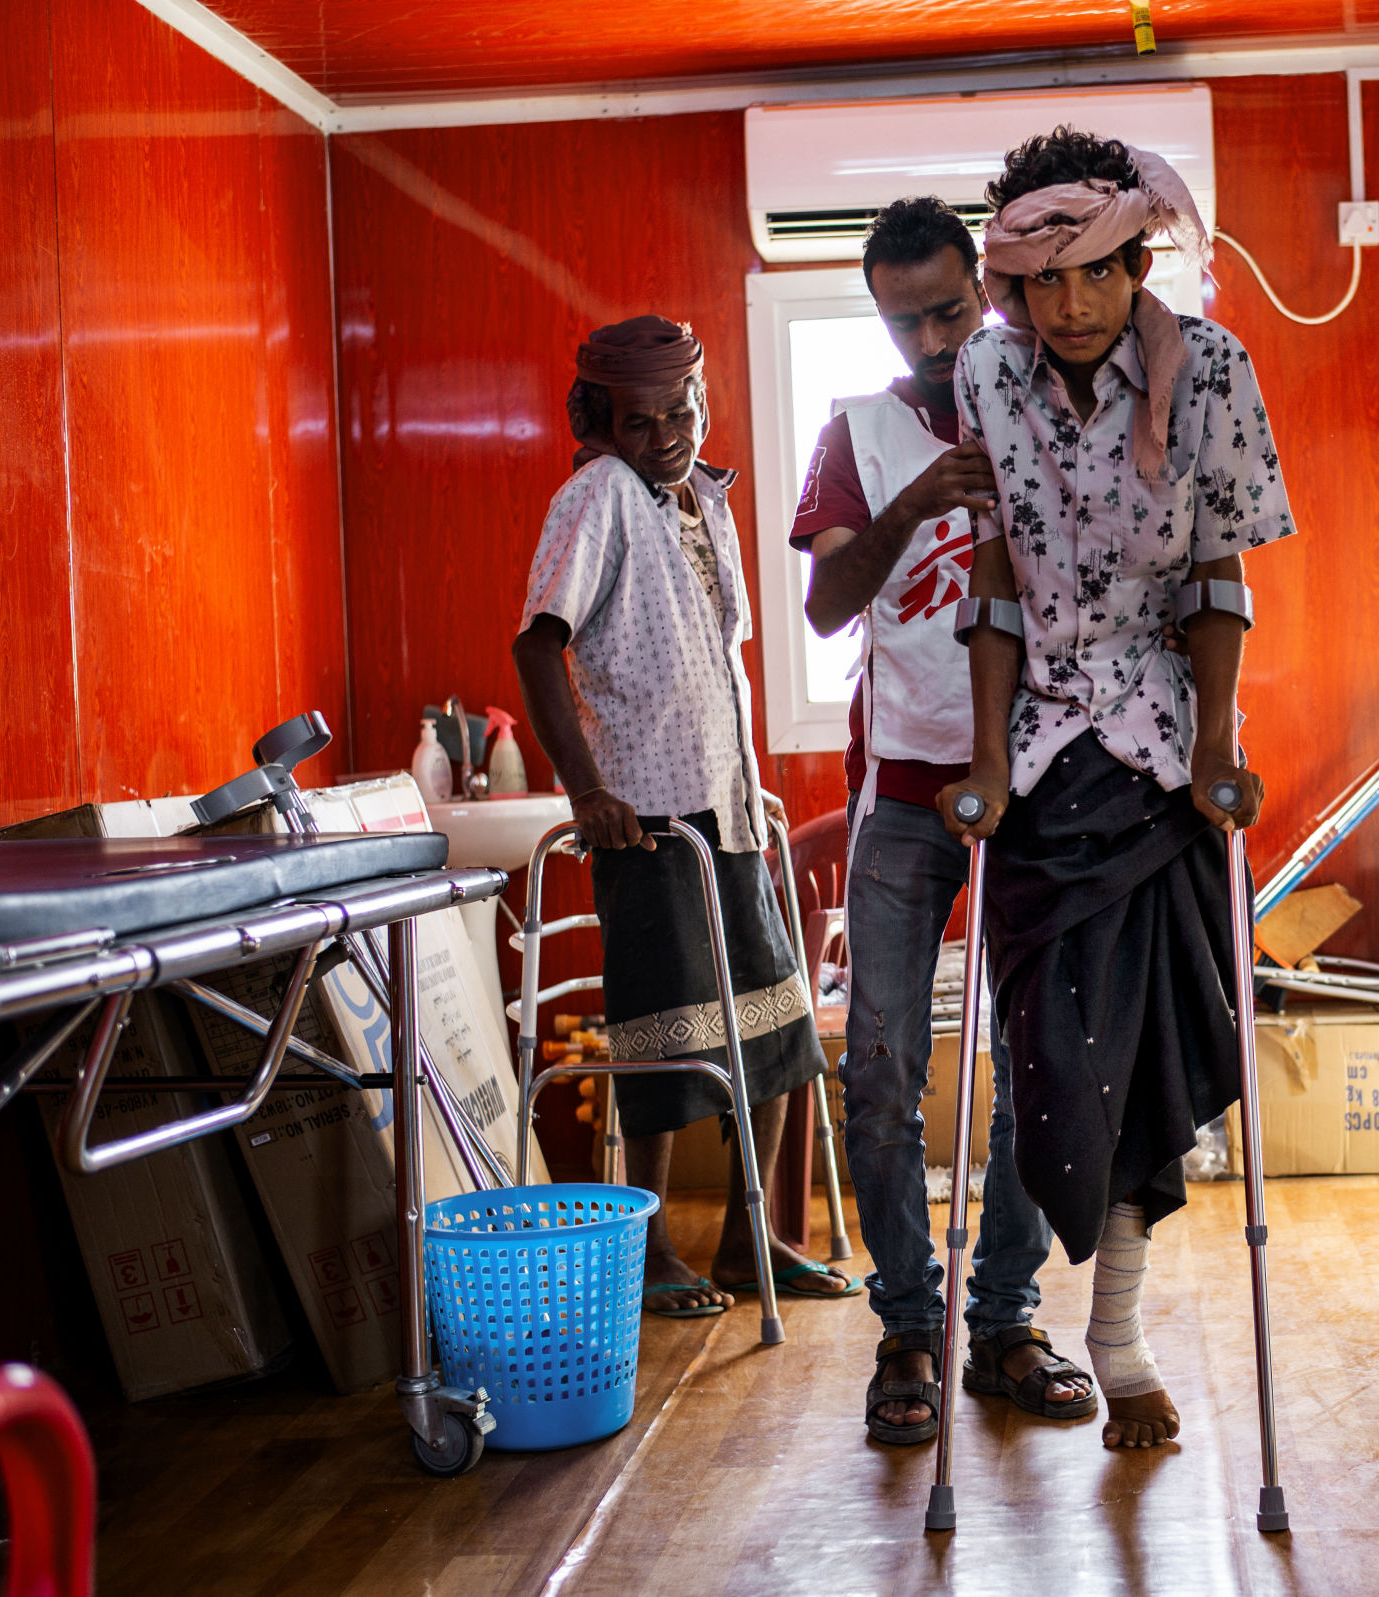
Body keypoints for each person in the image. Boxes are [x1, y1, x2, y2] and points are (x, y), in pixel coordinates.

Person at [938, 128, 1297, 1449]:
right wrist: (984, 759)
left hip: (1159, 759)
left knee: (1146, 1060)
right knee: (1049, 1066)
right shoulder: (986, 372)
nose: (1066, 306)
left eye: (1091, 274)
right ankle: (1050, 1303)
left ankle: (1120, 1335)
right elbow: (989, 579)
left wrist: (1212, 750)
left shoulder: (1210, 370)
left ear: (1137, 259)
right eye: (1038, 283)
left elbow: (1215, 577)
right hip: (1039, 763)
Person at [794, 197, 1097, 1446]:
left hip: (1037, 783)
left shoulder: (1052, 400)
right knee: (878, 1072)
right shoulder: (857, 433)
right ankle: (905, 1327)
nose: (927, 333)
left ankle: (1007, 1320)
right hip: (905, 796)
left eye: (947, 305)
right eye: (901, 314)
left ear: (987, 286)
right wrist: (914, 498)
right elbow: (822, 610)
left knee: (1035, 1063)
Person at [511, 315, 857, 1318]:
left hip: (730, 810)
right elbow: (539, 648)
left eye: (682, 410)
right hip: (649, 818)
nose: (665, 432)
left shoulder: (704, 499)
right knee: (663, 1037)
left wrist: (748, 790)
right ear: (600, 422)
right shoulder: (598, 497)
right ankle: (651, 1246)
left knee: (774, 1023)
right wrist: (588, 794)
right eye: (640, 419)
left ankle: (757, 1241)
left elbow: (716, 669)